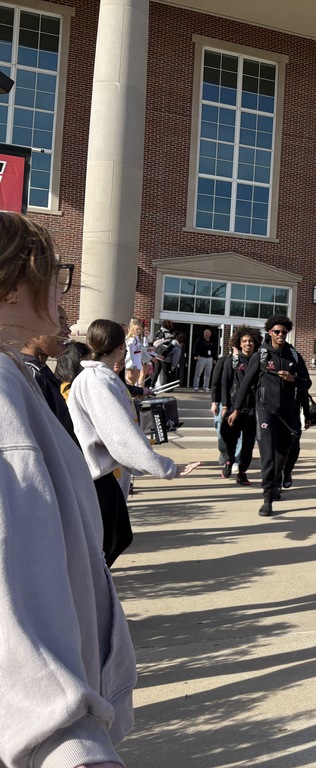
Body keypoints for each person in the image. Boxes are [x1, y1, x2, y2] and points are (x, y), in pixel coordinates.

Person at [0, 211, 136, 768]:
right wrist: (67, 740)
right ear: (10, 286)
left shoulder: (15, 379)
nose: (63, 288)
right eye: (56, 273)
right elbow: (16, 582)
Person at [69, 319, 191, 566]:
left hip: (103, 474)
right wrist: (165, 468)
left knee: (115, 539)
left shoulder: (100, 378)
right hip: (98, 476)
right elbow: (120, 437)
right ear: (120, 348)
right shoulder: (97, 381)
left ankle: (92, 591)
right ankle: (85, 594)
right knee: (110, 542)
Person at [228, 315, 310, 517]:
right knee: (267, 456)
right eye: (276, 332)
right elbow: (246, 384)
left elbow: (307, 383)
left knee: (282, 455)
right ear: (269, 332)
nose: (280, 335)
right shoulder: (261, 355)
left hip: (288, 412)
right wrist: (236, 409)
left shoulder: (294, 355)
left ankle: (276, 483)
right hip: (265, 411)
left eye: (284, 332)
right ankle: (267, 498)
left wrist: (293, 379)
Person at [20, 304, 76, 442]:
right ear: (35, 331)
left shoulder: (40, 372)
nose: (68, 330)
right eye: (60, 323)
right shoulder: (31, 376)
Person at [218, 327, 260, 486]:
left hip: (252, 408)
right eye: (244, 341)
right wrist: (224, 406)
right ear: (239, 344)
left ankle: (242, 472)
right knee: (230, 439)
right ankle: (229, 460)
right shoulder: (232, 361)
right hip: (234, 408)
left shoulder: (259, 363)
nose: (248, 344)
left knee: (248, 446)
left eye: (250, 341)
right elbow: (224, 384)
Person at [150, 319, 176, 386]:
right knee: (165, 372)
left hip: (156, 354)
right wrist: (164, 354)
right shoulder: (167, 334)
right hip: (163, 355)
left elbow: (154, 342)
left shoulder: (158, 332)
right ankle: (165, 386)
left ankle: (151, 385)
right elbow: (169, 345)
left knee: (156, 372)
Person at [123, 316, 148, 387]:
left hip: (137, 364)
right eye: (137, 325)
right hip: (133, 365)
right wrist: (131, 365)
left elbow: (139, 350)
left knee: (133, 382)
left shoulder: (136, 339)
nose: (140, 328)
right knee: (130, 382)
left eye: (140, 326)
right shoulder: (131, 339)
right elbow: (129, 352)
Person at [192, 327, 217, 391]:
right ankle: (196, 386)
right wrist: (195, 355)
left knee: (208, 374)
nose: (206, 334)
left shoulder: (213, 342)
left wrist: (214, 359)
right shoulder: (199, 340)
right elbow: (195, 348)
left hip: (209, 359)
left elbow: (215, 351)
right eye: (205, 333)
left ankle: (206, 386)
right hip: (201, 358)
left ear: (210, 334)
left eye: (208, 333)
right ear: (203, 334)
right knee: (198, 373)